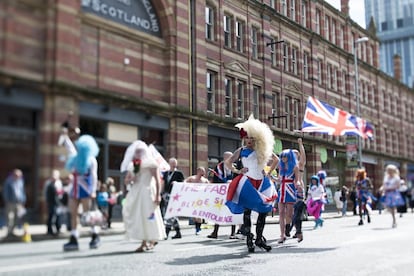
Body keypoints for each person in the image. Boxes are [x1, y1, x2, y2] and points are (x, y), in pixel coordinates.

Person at [225, 115, 278, 253]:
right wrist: (238, 170)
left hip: (262, 182)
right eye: (247, 137)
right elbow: (228, 162)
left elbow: (276, 160)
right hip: (248, 182)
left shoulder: (262, 150)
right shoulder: (241, 150)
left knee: (264, 211)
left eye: (251, 138)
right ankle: (249, 239)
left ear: (257, 139)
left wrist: (269, 171)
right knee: (247, 212)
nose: (249, 140)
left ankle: (259, 239)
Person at [120, 140, 166, 252]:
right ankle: (145, 241)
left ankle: (148, 241)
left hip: (147, 192)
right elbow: (126, 180)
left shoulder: (151, 163)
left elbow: (157, 180)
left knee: (148, 215)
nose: (138, 154)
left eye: (140, 151)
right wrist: (130, 179)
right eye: (136, 152)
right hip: (136, 193)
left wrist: (157, 195)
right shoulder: (134, 165)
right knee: (137, 216)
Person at [60, 133, 101, 251]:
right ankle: (74, 238)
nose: (80, 149)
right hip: (74, 189)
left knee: (88, 215)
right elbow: (70, 149)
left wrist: (93, 191)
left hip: (86, 190)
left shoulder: (92, 160)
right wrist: (66, 138)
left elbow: (94, 177)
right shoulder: (75, 157)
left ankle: (95, 235)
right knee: (73, 213)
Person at [208, 151, 238, 239]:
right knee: (218, 211)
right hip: (221, 193)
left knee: (232, 210)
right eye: (229, 158)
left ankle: (233, 233)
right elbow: (215, 180)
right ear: (224, 158)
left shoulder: (235, 167)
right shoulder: (219, 168)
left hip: (232, 192)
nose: (231, 160)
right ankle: (215, 232)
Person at [277, 149, 299, 243]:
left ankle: (288, 226)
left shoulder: (295, 167)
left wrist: (298, 183)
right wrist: (270, 177)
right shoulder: (280, 167)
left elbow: (297, 179)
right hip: (281, 190)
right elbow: (279, 180)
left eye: (284, 156)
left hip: (290, 190)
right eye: (281, 156)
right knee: (281, 212)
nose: (283, 158)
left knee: (289, 213)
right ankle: (282, 235)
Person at [161, 157, 185, 239]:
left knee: (170, 213)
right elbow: (163, 183)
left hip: (175, 196)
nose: (173, 165)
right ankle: (178, 232)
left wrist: (177, 183)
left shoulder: (179, 173)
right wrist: (161, 193)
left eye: (175, 163)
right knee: (172, 213)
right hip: (166, 195)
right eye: (172, 163)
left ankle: (166, 232)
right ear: (169, 164)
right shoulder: (166, 173)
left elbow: (183, 184)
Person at [184, 167, 210, 235]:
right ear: (198, 171)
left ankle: (198, 229)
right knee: (193, 216)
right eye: (202, 171)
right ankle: (197, 226)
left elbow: (210, 188)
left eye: (204, 172)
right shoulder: (192, 178)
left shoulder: (205, 181)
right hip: (192, 199)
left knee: (199, 214)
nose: (203, 173)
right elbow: (184, 182)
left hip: (201, 200)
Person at [2, 169, 26, 237]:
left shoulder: (21, 181)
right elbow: (5, 192)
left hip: (19, 202)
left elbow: (22, 192)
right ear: (13, 175)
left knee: (17, 217)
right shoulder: (8, 181)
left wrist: (23, 199)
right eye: (17, 175)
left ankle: (13, 230)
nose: (18, 177)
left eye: (19, 175)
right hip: (10, 202)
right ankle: (9, 231)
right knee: (10, 217)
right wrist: (7, 200)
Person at [45, 170, 63, 235]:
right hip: (51, 203)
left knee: (58, 216)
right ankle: (49, 230)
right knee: (51, 216)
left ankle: (58, 228)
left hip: (58, 203)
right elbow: (47, 194)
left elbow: (61, 192)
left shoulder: (59, 183)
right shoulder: (49, 184)